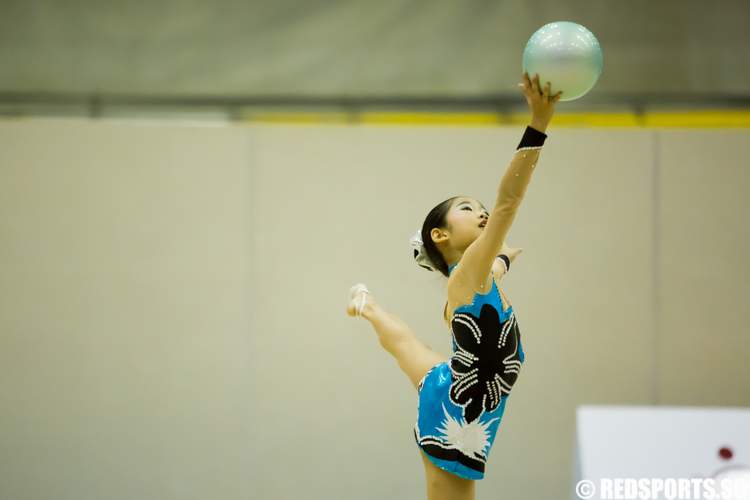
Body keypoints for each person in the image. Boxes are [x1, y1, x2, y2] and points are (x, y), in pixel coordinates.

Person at [346, 72, 561, 500]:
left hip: (451, 381)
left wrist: (503, 258)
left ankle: (367, 305)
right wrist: (539, 122)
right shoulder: (466, 277)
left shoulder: (476, 277)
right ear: (440, 236)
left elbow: (492, 270)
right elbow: (508, 202)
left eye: (480, 209)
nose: (482, 212)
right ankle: (368, 307)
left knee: (406, 346)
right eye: (467, 208)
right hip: (457, 416)